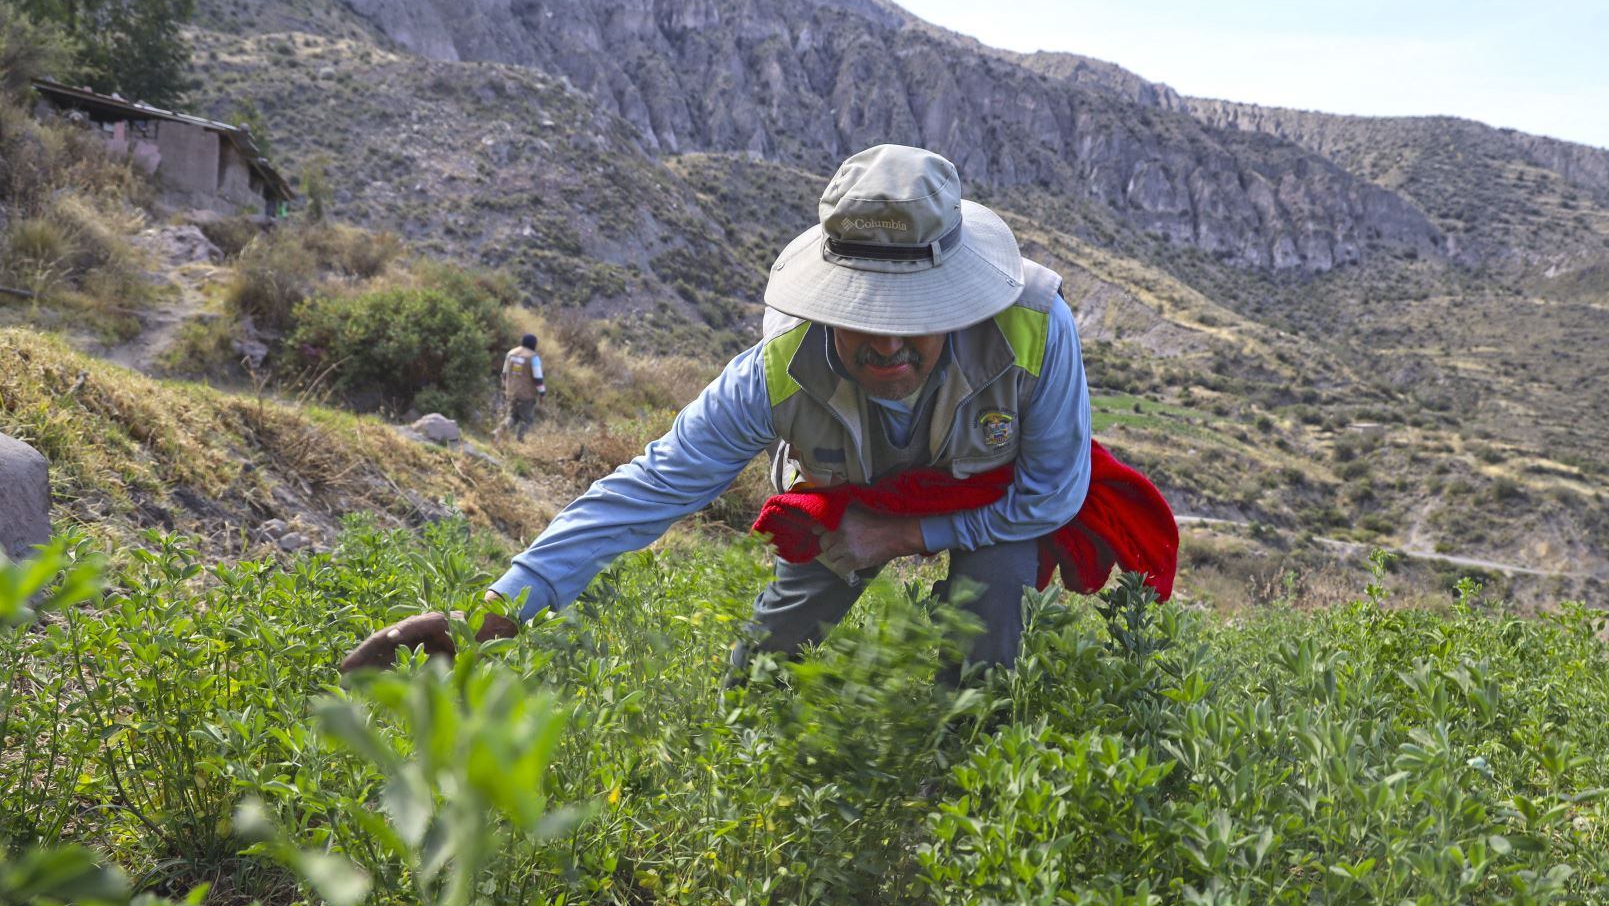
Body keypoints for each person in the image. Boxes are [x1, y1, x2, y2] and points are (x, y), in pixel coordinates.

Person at [343, 144, 1094, 675]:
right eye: (866, 309)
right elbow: (649, 488)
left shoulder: (1034, 325)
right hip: (842, 497)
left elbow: (1054, 492)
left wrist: (904, 533)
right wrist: (496, 612)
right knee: (765, 669)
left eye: (919, 311)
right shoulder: (775, 371)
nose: (890, 344)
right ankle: (759, 738)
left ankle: (958, 774)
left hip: (993, 498)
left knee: (987, 616)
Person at [495, 333, 545, 440]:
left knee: (512, 417)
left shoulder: (511, 353)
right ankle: (520, 440)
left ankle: (498, 431)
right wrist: (542, 393)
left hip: (511, 391)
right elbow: (538, 379)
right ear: (534, 344)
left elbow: (504, 374)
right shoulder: (533, 357)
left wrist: (506, 388)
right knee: (527, 420)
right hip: (526, 395)